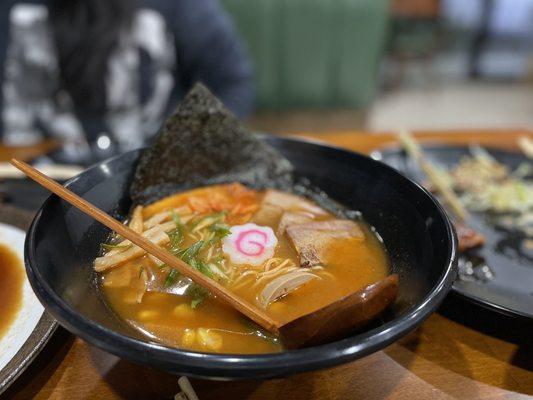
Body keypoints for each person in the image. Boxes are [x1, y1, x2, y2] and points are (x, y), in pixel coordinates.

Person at [0, 0, 253, 160]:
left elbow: (232, 83)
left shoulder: (179, 6)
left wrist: (182, 154)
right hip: (30, 178)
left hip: (147, 170)